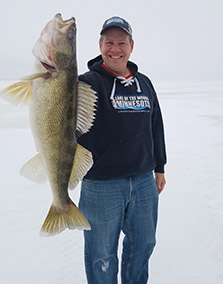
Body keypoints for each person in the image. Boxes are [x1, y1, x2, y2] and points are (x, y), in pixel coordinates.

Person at [78, 16, 167, 284]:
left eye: (121, 42)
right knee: (101, 256)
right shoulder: (86, 83)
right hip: (101, 185)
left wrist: (159, 166)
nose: (115, 49)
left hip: (143, 182)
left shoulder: (145, 82)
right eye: (109, 43)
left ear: (131, 46)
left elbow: (156, 125)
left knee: (143, 246)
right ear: (100, 45)